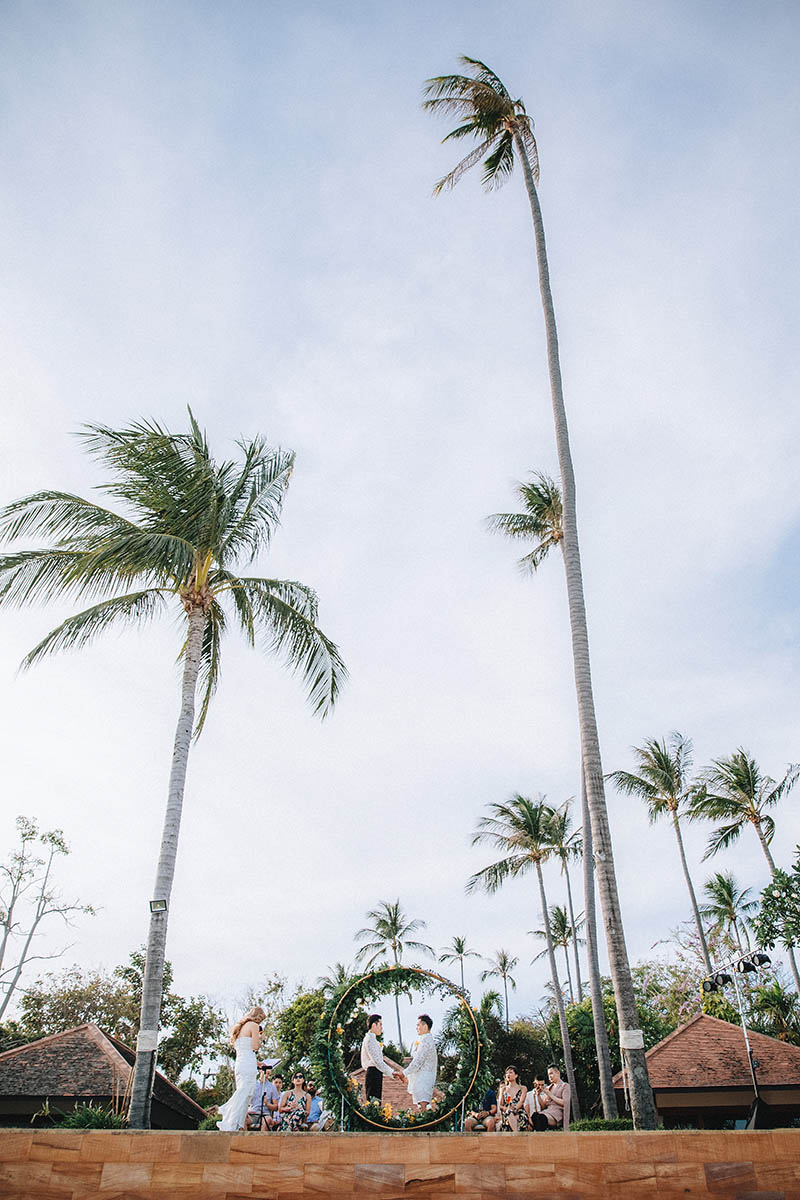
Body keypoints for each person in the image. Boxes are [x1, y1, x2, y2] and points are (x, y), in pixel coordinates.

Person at [217, 1006, 265, 1131]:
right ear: (258, 1017)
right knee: (245, 1092)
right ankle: (228, 1116)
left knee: (245, 1092)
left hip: (241, 1063)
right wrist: (261, 1038)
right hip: (247, 1064)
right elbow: (255, 1047)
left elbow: (246, 1050)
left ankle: (234, 1123)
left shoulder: (240, 1028)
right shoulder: (253, 1026)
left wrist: (257, 1063)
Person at [360, 1014, 403, 1102]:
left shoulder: (372, 1039)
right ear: (373, 1025)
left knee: (376, 1102)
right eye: (380, 1024)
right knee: (374, 1102)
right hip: (373, 1073)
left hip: (375, 1073)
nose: (381, 1028)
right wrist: (392, 1072)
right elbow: (378, 1062)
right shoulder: (370, 1040)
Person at [403, 1014, 438, 1111]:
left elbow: (417, 1062)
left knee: (423, 1107)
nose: (416, 1028)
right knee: (420, 1106)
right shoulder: (425, 1040)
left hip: (424, 1079)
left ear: (425, 1026)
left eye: (418, 1025)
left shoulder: (426, 1042)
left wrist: (404, 1073)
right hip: (421, 1079)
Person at [496, 1064, 530, 1132]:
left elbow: (521, 1102)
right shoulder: (503, 1089)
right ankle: (516, 1134)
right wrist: (507, 1109)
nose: (508, 1074)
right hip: (507, 1112)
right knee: (509, 1113)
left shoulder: (523, 1088)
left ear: (516, 1075)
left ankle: (515, 1134)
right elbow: (500, 1105)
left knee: (515, 1116)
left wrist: (514, 1109)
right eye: (507, 1073)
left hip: (519, 1112)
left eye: (511, 1072)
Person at [248, 1063, 279, 1131]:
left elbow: (276, 1107)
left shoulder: (272, 1087)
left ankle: (262, 1141)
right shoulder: (252, 1085)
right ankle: (243, 1140)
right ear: (260, 1070)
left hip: (265, 1114)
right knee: (241, 1119)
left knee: (267, 1120)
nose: (266, 1072)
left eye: (268, 1070)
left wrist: (267, 1104)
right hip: (252, 1113)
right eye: (264, 1069)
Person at [540, 1063, 571, 1129]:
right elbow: (543, 1105)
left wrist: (550, 1095)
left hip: (557, 1114)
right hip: (547, 1111)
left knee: (541, 1118)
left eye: (551, 1073)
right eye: (548, 1075)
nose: (550, 1076)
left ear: (558, 1073)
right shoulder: (548, 1088)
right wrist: (538, 1095)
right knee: (534, 1117)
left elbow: (565, 1103)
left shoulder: (565, 1086)